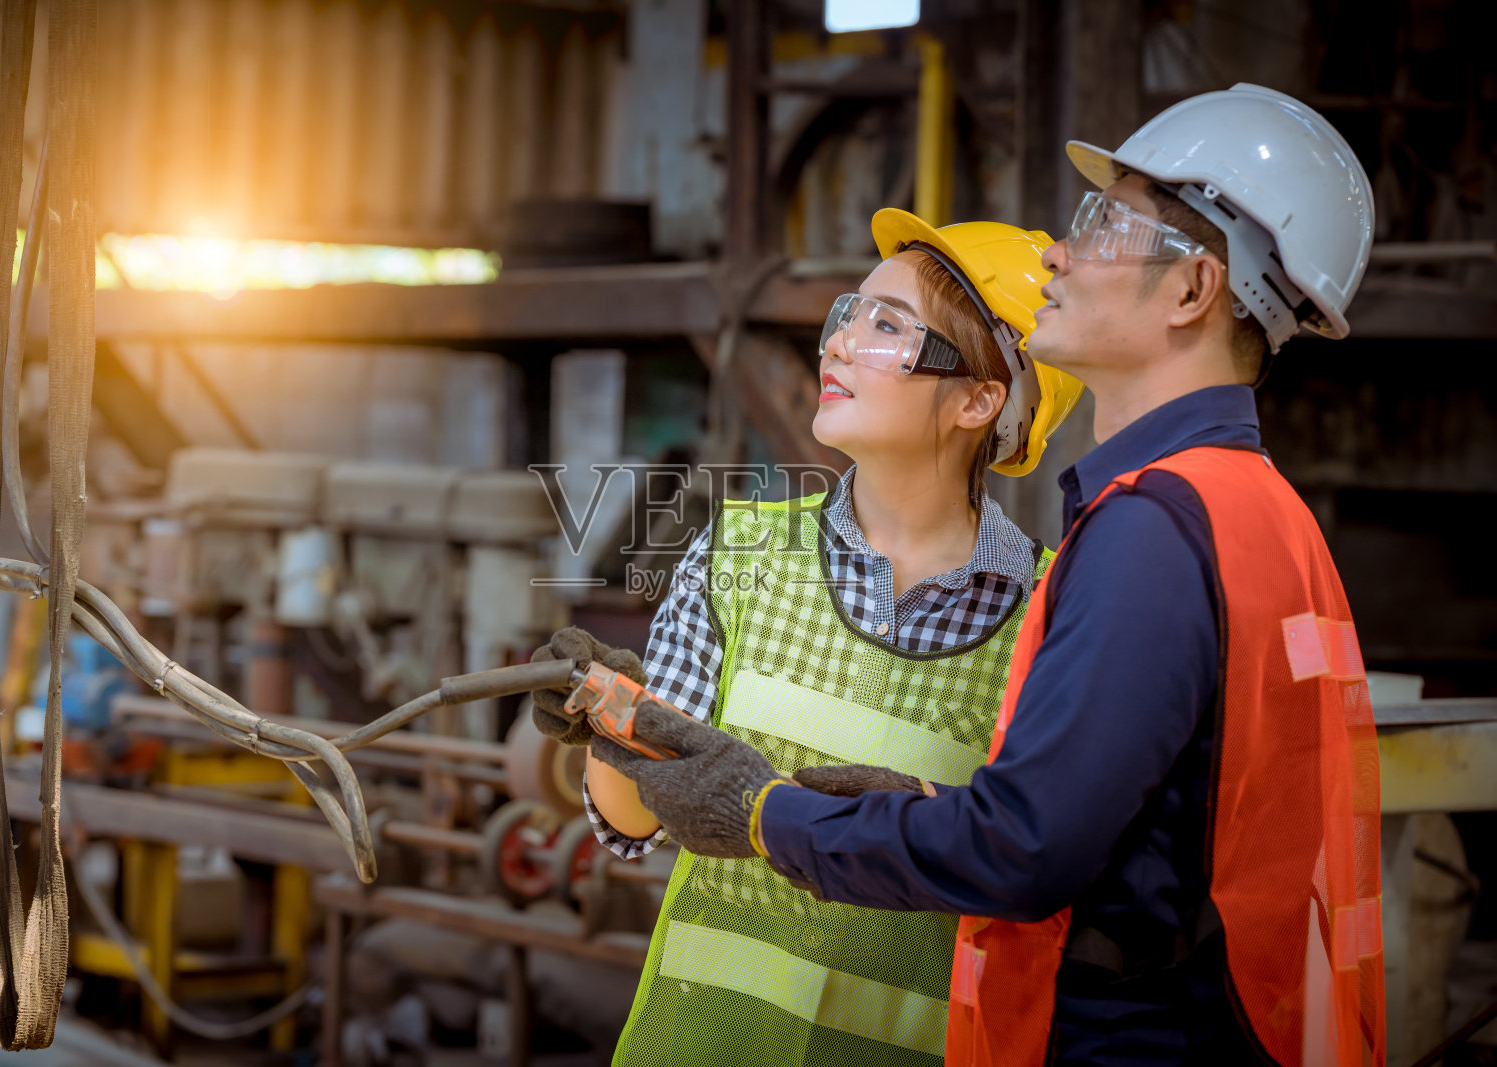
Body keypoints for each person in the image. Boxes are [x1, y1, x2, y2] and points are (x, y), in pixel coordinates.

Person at [591, 84, 1384, 1066]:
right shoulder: (1261, 514)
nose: (1059, 248)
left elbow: (1026, 846)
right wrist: (916, 811)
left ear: (1191, 290)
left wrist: (767, 810)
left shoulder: (1151, 528)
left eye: (1100, 222)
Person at [530, 212, 1083, 1066]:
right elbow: (633, 823)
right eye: (847, 317)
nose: (839, 345)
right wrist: (608, 723)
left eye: (888, 327)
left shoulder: (1052, 613)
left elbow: (1051, 876)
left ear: (979, 398)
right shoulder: (738, 551)